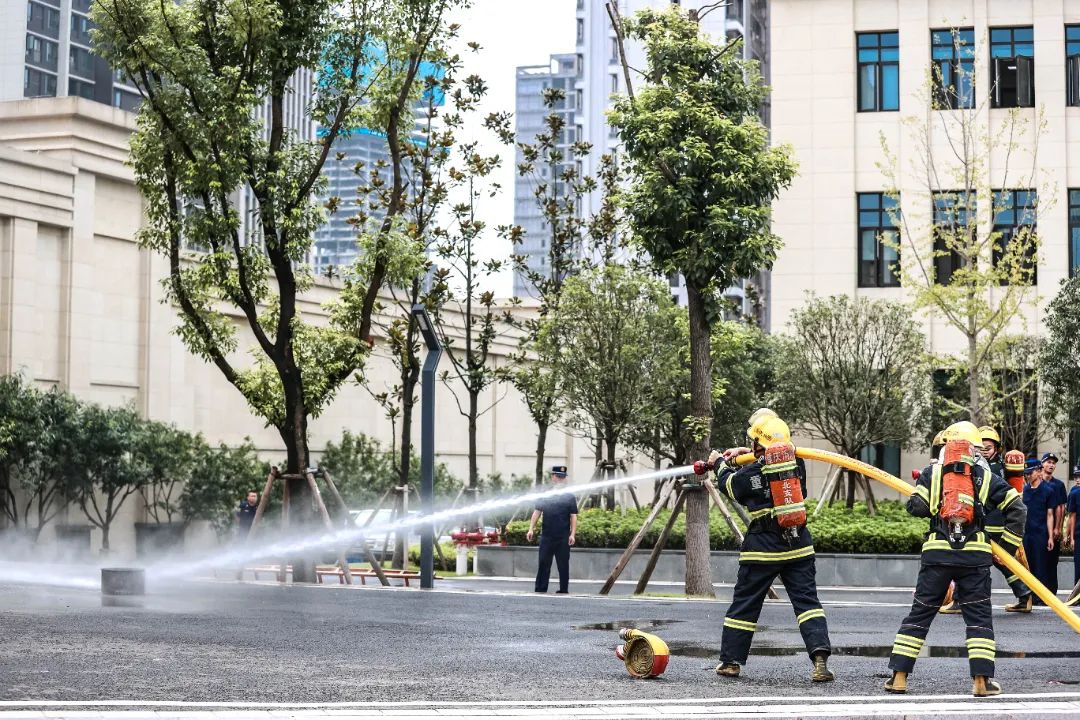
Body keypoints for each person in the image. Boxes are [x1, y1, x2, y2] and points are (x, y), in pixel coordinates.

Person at [885, 421, 1025, 697]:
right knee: (979, 619)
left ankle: (899, 678)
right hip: (975, 557)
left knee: (920, 613)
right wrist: (1004, 548)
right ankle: (981, 683)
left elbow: (917, 507)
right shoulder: (985, 477)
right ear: (974, 449)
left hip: (937, 555)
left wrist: (923, 492)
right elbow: (1017, 509)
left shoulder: (932, 472)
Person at [706, 414, 834, 683]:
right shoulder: (797, 464)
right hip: (798, 544)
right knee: (807, 604)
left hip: (763, 548)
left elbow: (733, 486)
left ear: (758, 445)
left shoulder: (754, 471)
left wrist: (718, 463)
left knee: (746, 604)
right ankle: (820, 661)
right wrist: (745, 454)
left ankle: (730, 662)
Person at [977, 426, 1032, 613]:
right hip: (993, 522)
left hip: (992, 523)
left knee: (972, 561)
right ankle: (1024, 594)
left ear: (996, 449)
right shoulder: (993, 466)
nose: (984, 451)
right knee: (1001, 562)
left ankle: (961, 599)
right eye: (981, 447)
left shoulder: (990, 469)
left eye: (988, 448)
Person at [527, 466, 578, 594]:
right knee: (544, 562)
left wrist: (572, 534)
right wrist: (531, 529)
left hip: (563, 536)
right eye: (558, 476)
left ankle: (563, 589)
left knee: (563, 564)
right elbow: (537, 512)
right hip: (547, 535)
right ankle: (540, 588)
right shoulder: (545, 494)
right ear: (553, 477)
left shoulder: (569, 496)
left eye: (563, 477)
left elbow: (573, 516)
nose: (561, 479)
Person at [1022, 457, 1056, 604]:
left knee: (1041, 565)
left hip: (1041, 533)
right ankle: (1029, 595)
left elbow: (1050, 515)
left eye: (1031, 473)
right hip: (1027, 533)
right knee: (1028, 565)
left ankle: (1041, 597)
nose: (1028, 476)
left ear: (1038, 471)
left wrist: (1050, 537)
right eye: (1026, 473)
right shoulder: (1025, 490)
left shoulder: (1048, 490)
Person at [1041, 452, 1068, 595]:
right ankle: (1038, 593)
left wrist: (1058, 528)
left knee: (1052, 562)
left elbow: (1061, 508)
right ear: (1042, 464)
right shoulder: (1036, 482)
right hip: (1038, 529)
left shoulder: (1058, 485)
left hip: (1053, 530)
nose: (1051, 465)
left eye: (1053, 463)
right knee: (1038, 562)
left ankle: (1051, 592)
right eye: (1048, 462)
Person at [1065, 465, 1080, 586]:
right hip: (1079, 534)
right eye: (1076, 477)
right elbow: (1072, 516)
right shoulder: (1075, 493)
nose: (1078, 479)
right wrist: (1070, 536)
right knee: (1079, 566)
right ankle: (1077, 596)